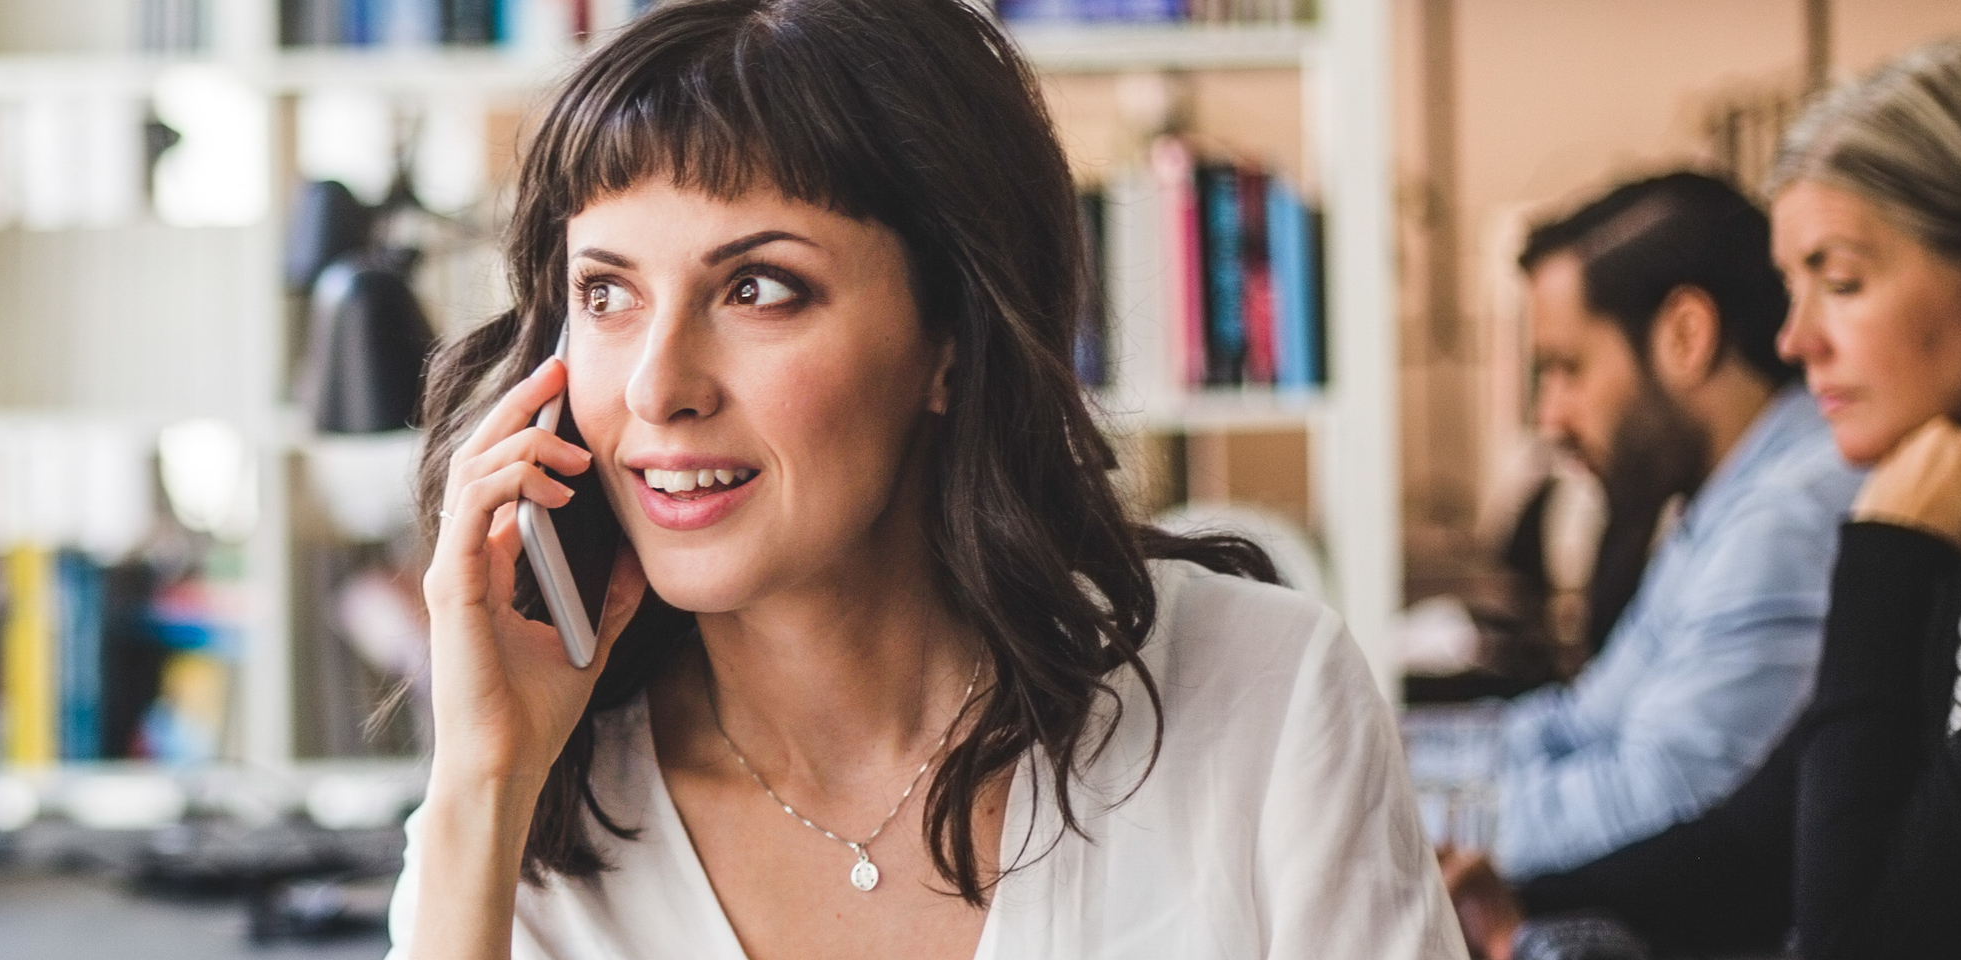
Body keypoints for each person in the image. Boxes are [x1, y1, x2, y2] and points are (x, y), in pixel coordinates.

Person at [383, 1, 1463, 957]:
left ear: (951, 338)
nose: (659, 387)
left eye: (759, 287)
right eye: (607, 294)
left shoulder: (1261, 699)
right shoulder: (519, 810)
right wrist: (485, 786)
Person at [1451, 37, 1961, 960]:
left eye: (1842, 281)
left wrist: (1885, 556)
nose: (1794, 339)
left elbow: (1861, 938)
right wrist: (1514, 894)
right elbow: (1755, 841)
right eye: (1792, 287)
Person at [1472, 173, 1863, 882]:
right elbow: (1580, 724)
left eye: (1568, 368)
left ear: (1686, 334)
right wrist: (1368, 760)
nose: (1550, 416)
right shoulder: (1721, 502)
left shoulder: (1789, 516)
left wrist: (1382, 821)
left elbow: (1654, 801)